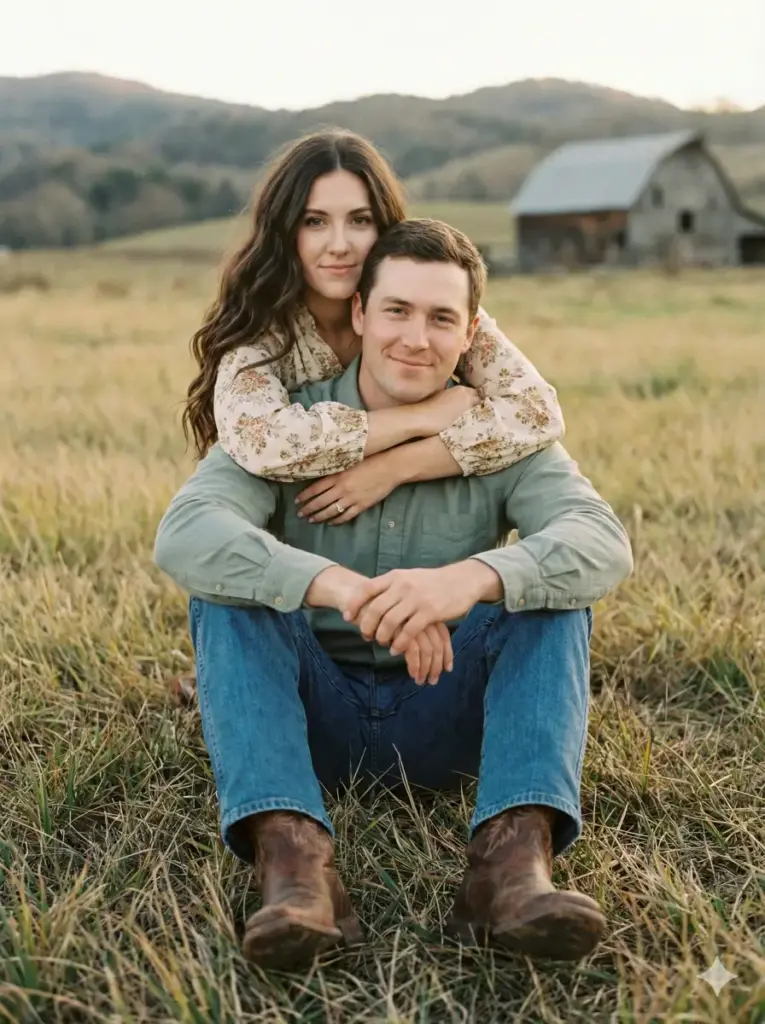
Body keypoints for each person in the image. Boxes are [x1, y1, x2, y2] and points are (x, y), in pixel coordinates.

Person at [154, 218, 633, 971]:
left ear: (470, 331)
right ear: (359, 315)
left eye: (441, 317)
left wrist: (465, 580)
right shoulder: (290, 424)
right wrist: (338, 587)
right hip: (307, 725)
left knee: (550, 590)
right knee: (231, 590)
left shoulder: (495, 429)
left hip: (448, 713)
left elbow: (600, 540)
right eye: (397, 311)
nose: (417, 337)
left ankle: (509, 872)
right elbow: (185, 533)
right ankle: (295, 870)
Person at [170, 128, 565, 703]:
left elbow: (536, 411)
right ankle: (255, 674)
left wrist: (397, 467)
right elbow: (267, 444)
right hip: (310, 548)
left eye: (359, 220)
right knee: (235, 584)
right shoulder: (262, 339)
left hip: (425, 542)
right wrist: (418, 416)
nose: (340, 245)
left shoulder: (426, 310)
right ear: (286, 232)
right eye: (314, 222)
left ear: (385, 227)